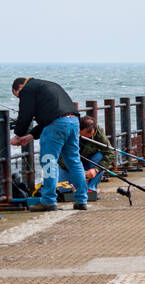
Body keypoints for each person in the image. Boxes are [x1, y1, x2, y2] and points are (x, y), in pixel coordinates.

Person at [10, 77, 88, 212]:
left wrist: (17, 135)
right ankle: (82, 200)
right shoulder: (49, 85)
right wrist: (30, 136)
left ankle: (49, 201)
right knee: (74, 161)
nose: (20, 98)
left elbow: (25, 115)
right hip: (74, 122)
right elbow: (51, 116)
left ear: (19, 87)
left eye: (18, 96)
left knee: (49, 160)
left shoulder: (27, 89)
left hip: (56, 125)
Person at [61, 114, 115, 202]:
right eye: (85, 134)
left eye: (91, 134)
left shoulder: (98, 131)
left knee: (100, 156)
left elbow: (110, 153)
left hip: (89, 159)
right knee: (64, 190)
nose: (89, 136)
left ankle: (91, 189)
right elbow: (60, 157)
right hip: (71, 163)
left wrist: (96, 169)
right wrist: (77, 171)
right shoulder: (69, 132)